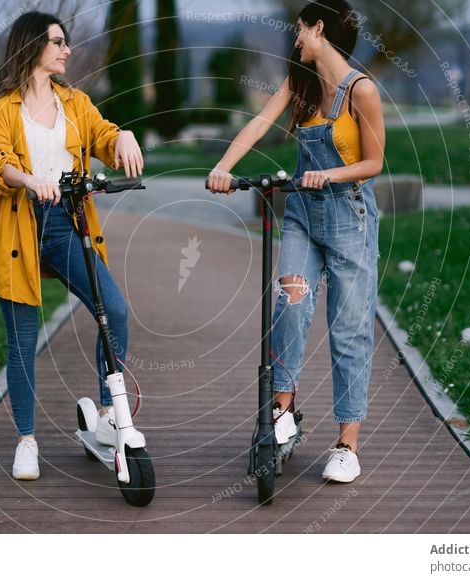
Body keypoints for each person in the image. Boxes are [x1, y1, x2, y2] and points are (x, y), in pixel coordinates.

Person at [207, 0, 385, 483]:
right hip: (303, 217)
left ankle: (347, 444)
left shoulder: (362, 92)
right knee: (290, 304)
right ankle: (282, 414)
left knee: (348, 330)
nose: (295, 38)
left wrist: (327, 174)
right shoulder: (300, 82)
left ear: (319, 28)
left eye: (300, 30)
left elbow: (373, 164)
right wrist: (224, 167)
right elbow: (259, 123)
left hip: (351, 218)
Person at [0, 11, 144, 480]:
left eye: (66, 42)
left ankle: (111, 415)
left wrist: (125, 135)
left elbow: (105, 136)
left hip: (63, 226)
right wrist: (29, 180)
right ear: (33, 47)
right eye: (57, 42)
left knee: (112, 308)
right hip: (18, 229)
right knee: (23, 343)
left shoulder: (75, 103)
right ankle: (26, 440)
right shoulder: (1, 110)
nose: (67, 49)